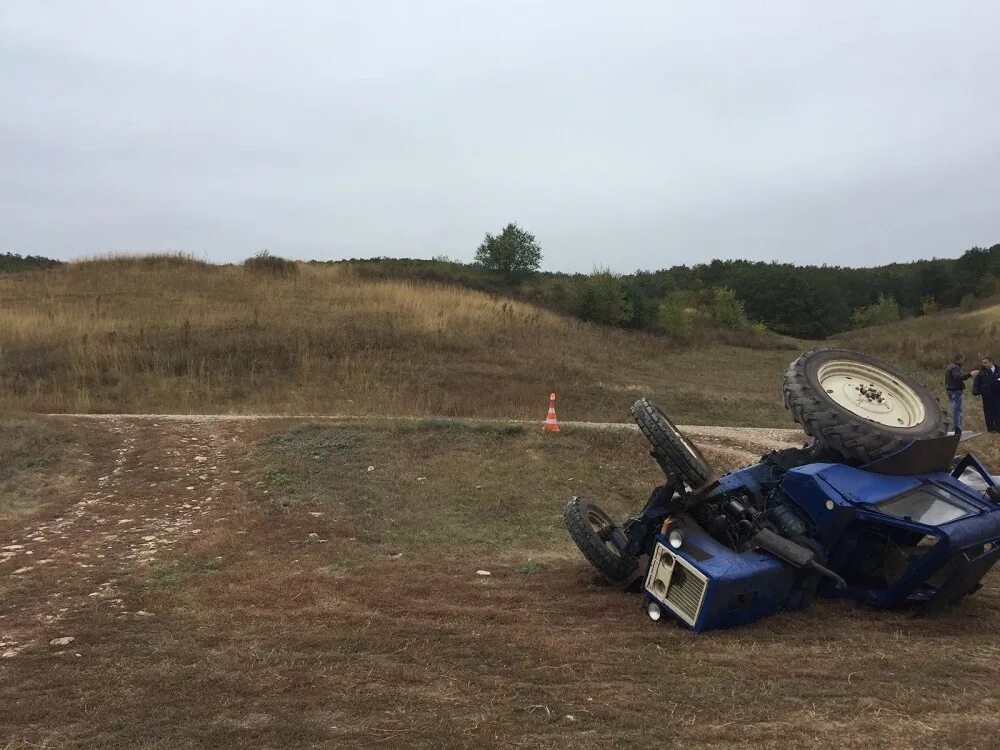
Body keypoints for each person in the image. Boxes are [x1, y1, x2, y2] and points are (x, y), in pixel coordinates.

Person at [945, 354, 978, 432]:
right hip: (955, 391)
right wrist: (970, 374)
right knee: (957, 410)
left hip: (951, 390)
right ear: (959, 359)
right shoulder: (955, 367)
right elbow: (958, 377)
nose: (964, 361)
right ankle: (957, 428)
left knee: (956, 409)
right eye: (963, 359)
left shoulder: (951, 366)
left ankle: (956, 427)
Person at [973, 356, 1000, 432]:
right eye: (983, 363)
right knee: (988, 413)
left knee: (998, 412)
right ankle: (991, 430)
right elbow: (976, 383)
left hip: (998, 396)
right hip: (987, 396)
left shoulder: (998, 370)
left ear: (991, 362)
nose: (984, 364)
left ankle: (998, 429)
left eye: (985, 362)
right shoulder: (982, 373)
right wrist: (976, 392)